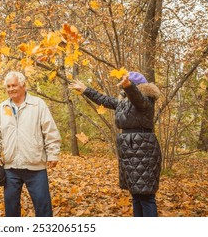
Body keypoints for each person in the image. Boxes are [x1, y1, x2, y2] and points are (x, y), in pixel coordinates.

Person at [69, 71, 162, 217]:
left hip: (143, 149)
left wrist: (129, 87)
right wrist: (86, 90)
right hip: (130, 148)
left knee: (146, 195)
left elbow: (137, 98)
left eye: (128, 85)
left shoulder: (146, 100)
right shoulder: (124, 102)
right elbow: (104, 100)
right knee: (136, 194)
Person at [0, 71, 61, 217]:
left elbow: (50, 130)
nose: (10, 89)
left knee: (43, 207)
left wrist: (53, 153)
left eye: (14, 85)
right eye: (8, 86)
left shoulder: (38, 105)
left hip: (35, 165)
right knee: (11, 208)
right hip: (10, 167)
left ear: (23, 85)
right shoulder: (2, 108)